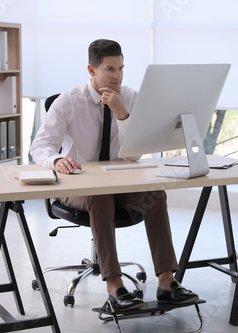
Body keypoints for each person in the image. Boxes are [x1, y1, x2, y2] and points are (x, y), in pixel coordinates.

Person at [30, 39, 198, 311]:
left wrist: (122, 114)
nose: (118, 76)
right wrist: (57, 159)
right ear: (91, 70)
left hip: (120, 185)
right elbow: (40, 146)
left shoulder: (131, 98)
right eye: (110, 69)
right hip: (77, 187)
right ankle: (115, 286)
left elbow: (133, 156)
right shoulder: (70, 100)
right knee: (101, 196)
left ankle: (167, 282)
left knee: (155, 193)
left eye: (121, 68)